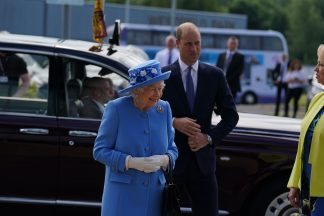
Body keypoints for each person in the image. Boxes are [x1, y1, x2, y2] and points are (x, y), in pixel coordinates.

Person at [161, 22, 239, 216]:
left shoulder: (215, 76)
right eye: (188, 44)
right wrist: (174, 123)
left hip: (203, 164)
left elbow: (231, 116)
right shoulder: (163, 76)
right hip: (171, 163)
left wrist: (208, 138)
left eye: (197, 43)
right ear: (177, 43)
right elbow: (148, 113)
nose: (194, 49)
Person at [93, 60, 178, 216]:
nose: (158, 94)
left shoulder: (164, 109)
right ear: (138, 90)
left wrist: (164, 160)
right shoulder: (117, 109)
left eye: (160, 88)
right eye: (153, 89)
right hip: (122, 197)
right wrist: (131, 162)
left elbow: (172, 149)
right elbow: (99, 151)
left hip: (154, 197)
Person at [287, 44, 324, 216]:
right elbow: (303, 146)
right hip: (309, 189)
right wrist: (295, 183)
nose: (316, 68)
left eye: (321, 64)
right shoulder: (317, 99)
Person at [216, 36, 244, 101]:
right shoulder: (221, 55)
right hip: (221, 83)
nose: (233, 45)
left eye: (234, 43)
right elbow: (217, 68)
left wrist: (227, 79)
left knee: (230, 103)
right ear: (227, 44)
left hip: (233, 85)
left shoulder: (240, 57)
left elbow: (239, 71)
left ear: (237, 45)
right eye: (231, 43)